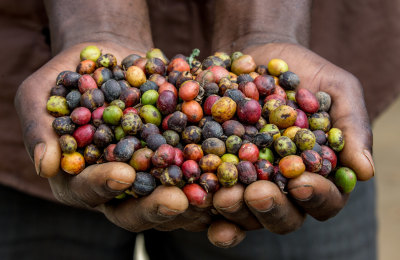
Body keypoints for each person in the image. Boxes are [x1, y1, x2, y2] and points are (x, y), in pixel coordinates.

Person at [2, 0, 398, 259]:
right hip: (29, 51)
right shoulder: (130, 110)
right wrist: (98, 21)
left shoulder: (267, 117)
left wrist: (263, 30)